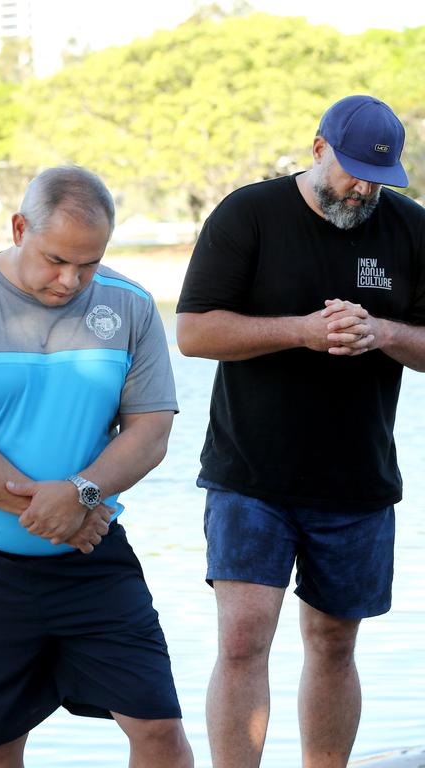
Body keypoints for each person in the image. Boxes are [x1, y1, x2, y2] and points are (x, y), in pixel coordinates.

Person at [0, 166, 193, 768]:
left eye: (89, 263)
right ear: (18, 228)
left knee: (160, 728)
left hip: (93, 557)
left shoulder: (131, 304)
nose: (72, 280)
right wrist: (56, 512)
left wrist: (82, 497)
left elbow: (151, 430)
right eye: (57, 259)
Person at [176, 94, 425, 767]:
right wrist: (303, 332)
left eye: (381, 177)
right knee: (242, 640)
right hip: (250, 474)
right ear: (318, 149)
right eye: (352, 172)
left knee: (335, 643)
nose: (365, 189)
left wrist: (384, 333)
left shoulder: (409, 229)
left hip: (358, 479)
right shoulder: (248, 215)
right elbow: (195, 332)